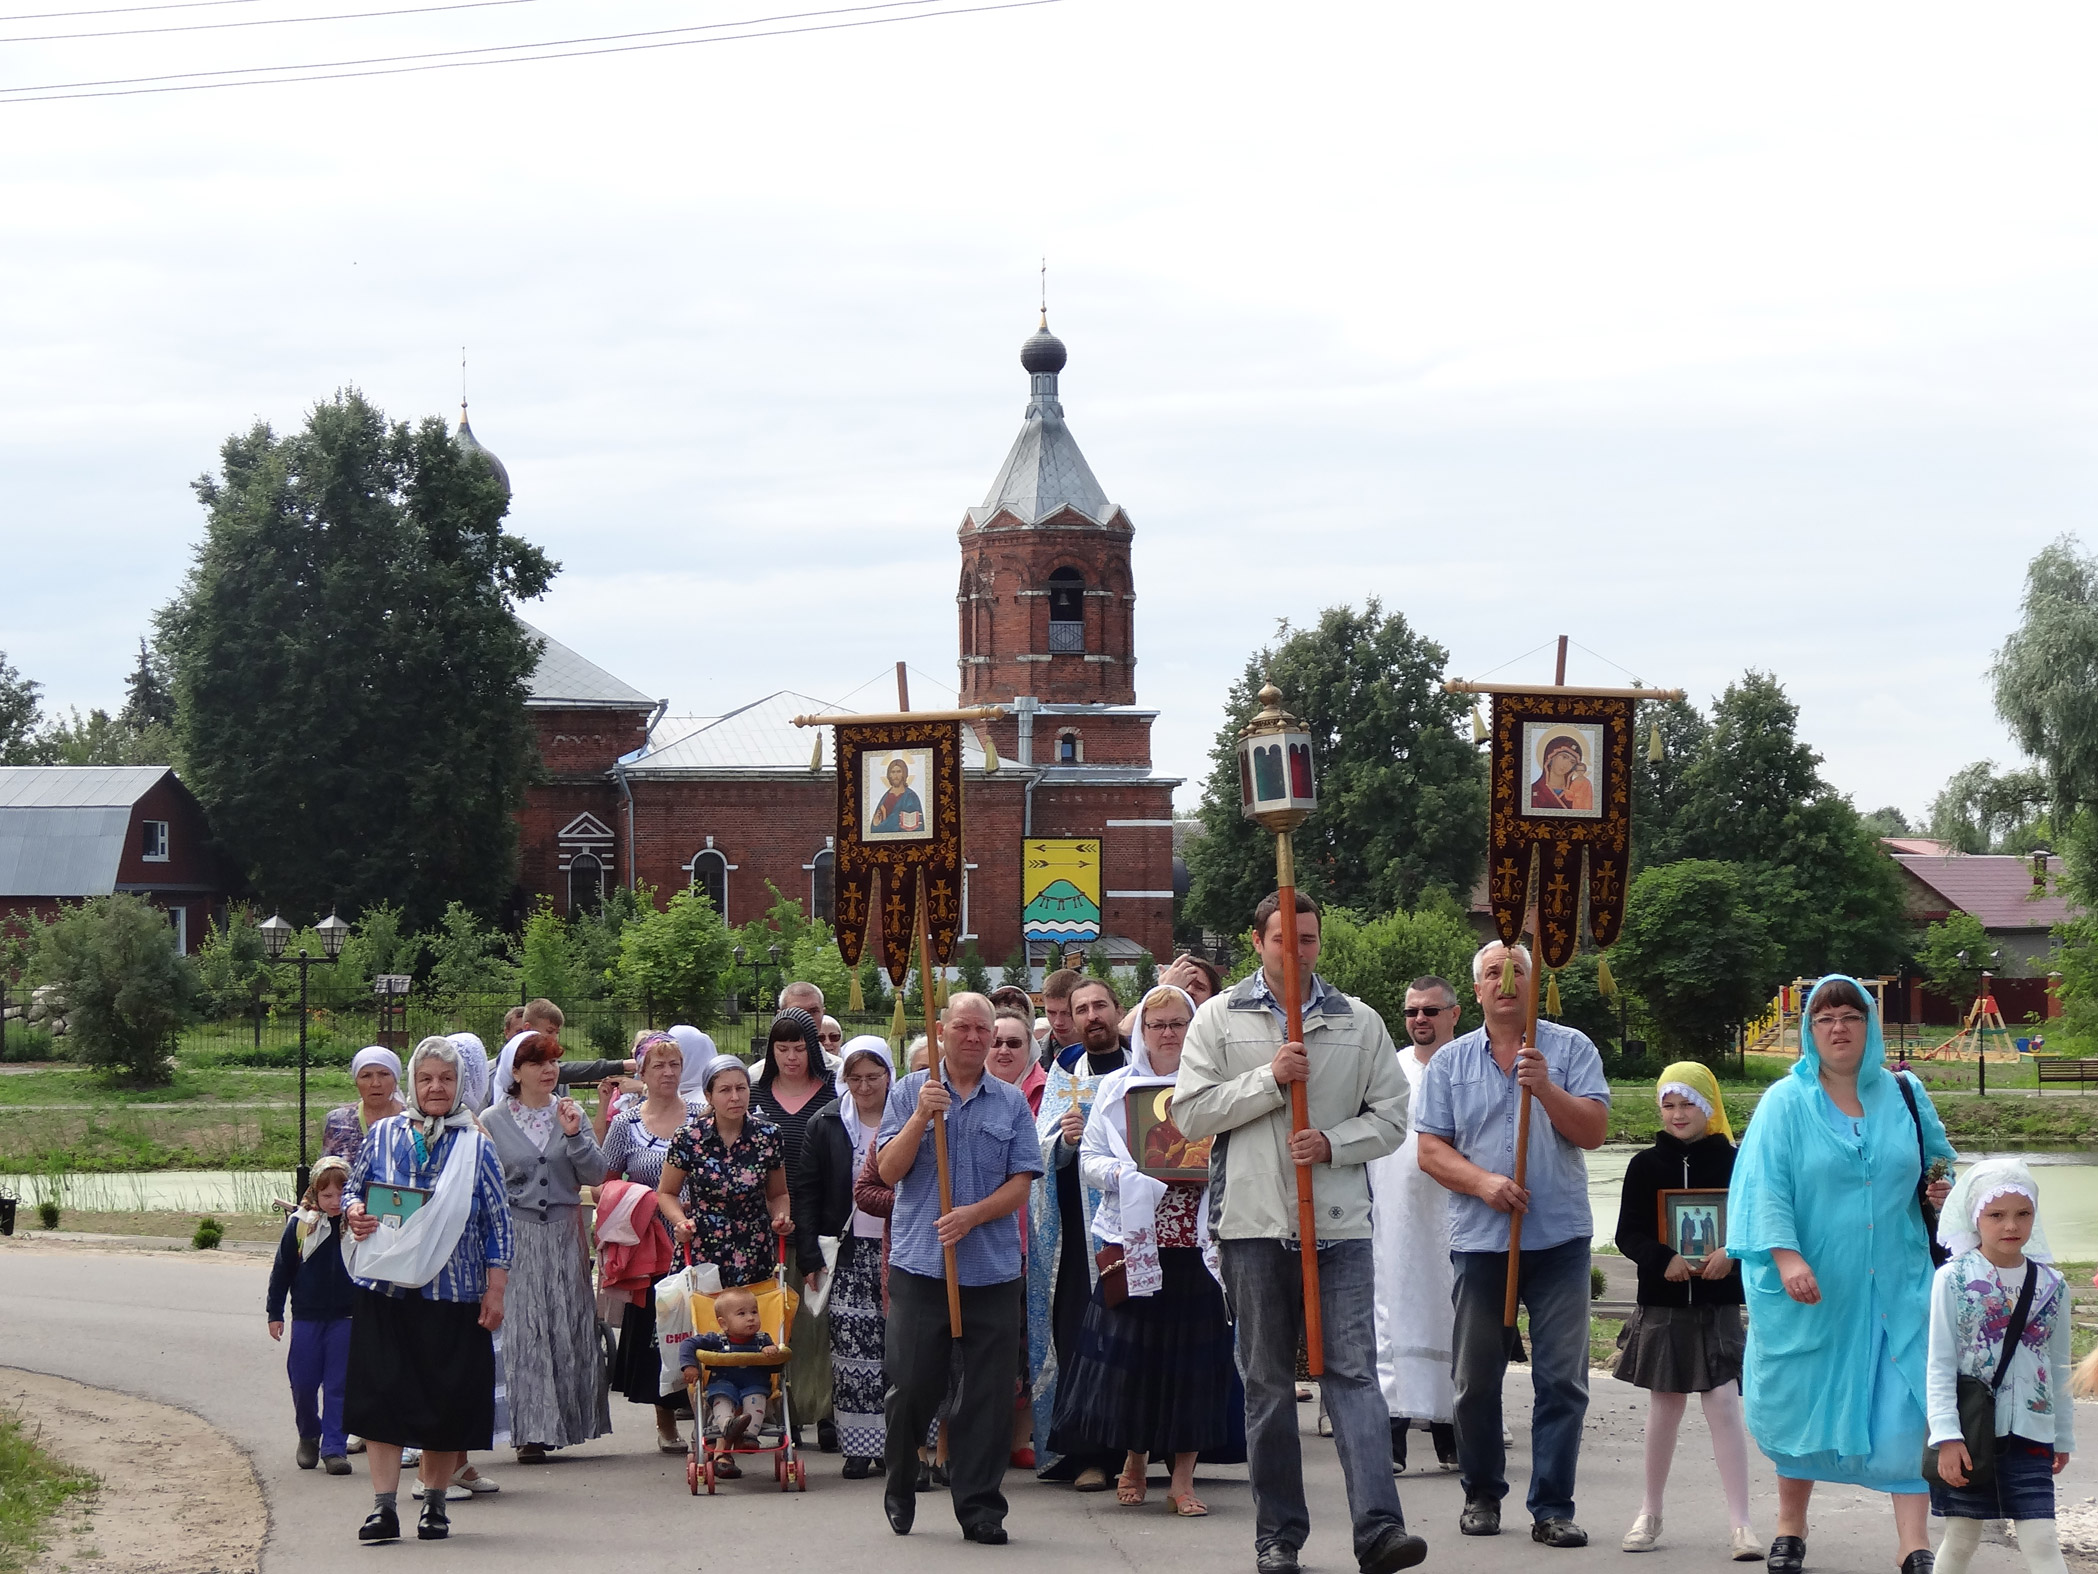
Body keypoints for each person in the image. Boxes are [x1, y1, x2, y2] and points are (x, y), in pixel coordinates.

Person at [1173, 890, 1420, 1574]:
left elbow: (1393, 1118)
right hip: (1252, 1224)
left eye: (1308, 938)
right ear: (1258, 941)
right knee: (1268, 1384)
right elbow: (1190, 1116)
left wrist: (1334, 1145)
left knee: (1353, 1375)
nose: (1297, 950)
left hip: (1339, 1224)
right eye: (1284, 938)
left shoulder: (1358, 1022)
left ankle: (1379, 1529)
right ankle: (1278, 1535)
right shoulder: (1219, 1020)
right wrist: (1268, 1078)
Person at [1727, 974, 1956, 1574]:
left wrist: (1940, 1189)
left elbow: (1940, 1168)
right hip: (1816, 1289)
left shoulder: (1906, 1092)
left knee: (1910, 1407)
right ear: (1809, 1029)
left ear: (1869, 1026)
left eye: (1851, 1016)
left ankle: (1913, 1543)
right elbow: (1762, 1187)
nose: (1838, 1028)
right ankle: (1790, 1526)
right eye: (1825, 1018)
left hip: (1900, 1282)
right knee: (1805, 1405)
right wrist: (1786, 1255)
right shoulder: (1785, 1101)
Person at [1414, 940, 1611, 1547]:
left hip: (1558, 1242)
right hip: (1481, 1241)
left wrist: (1546, 1089)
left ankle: (1552, 1506)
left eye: (1518, 971)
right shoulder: (1450, 1063)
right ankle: (1481, 1494)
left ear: (1534, 984)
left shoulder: (1571, 1048)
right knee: (1475, 1379)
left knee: (1562, 1379)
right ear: (1475, 991)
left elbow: (1595, 1131)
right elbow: (1430, 1151)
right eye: (1493, 973)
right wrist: (1484, 1183)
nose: (1505, 981)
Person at [1051, 984, 1244, 1515]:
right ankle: (1134, 1458)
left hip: (1198, 1246)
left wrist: (1206, 1169)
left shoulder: (1215, 1086)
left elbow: (1237, 1154)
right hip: (1136, 1244)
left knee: (1194, 1367)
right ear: (1140, 1031)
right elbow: (1090, 1160)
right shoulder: (1118, 1090)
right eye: (1156, 1024)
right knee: (1133, 1362)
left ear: (1194, 1027)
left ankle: (1183, 1478)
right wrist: (1132, 1174)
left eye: (1178, 1023)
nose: (1167, 1033)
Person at [875, 992, 1045, 1543]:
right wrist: (924, 1116)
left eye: (984, 1031)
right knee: (912, 1387)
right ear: (943, 1030)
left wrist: (974, 1215)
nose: (974, 1038)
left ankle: (980, 1508)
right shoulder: (909, 1092)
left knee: (988, 1398)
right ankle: (900, 1482)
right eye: (964, 1028)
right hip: (922, 1267)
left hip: (993, 1270)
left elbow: (1022, 1182)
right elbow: (886, 1170)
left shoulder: (1011, 1103)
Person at [342, 1036, 512, 1544]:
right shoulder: (384, 1134)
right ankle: (382, 1508)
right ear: (413, 1082)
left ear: (460, 1084)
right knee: (381, 1399)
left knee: (444, 1401)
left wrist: (495, 1290)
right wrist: (353, 1212)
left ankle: (435, 1505)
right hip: (386, 1289)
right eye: (426, 1078)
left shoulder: (477, 1144)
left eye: (446, 1079)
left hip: (453, 1294)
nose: (436, 1087)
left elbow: (498, 1225)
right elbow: (354, 1188)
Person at [1612, 1063, 1758, 1559]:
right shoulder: (1643, 1166)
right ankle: (1648, 1512)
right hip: (1663, 1304)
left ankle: (1741, 1524)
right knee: (1665, 1407)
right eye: (1669, 1105)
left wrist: (1731, 1253)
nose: (1678, 1114)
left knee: (1723, 1405)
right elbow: (1628, 1233)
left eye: (1688, 1103)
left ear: (1710, 1107)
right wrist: (1664, 1258)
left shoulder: (1738, 1163)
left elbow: (1755, 1222)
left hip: (1718, 1304)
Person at [1926, 1159, 2074, 1574]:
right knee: (1961, 1537)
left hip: (2032, 1432)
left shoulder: (2052, 1285)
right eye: (1997, 1215)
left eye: (2023, 1214)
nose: (2011, 1225)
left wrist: (2062, 1435)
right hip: (1970, 1434)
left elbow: (2058, 1364)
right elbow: (1940, 1362)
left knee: (2042, 1538)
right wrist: (1946, 1436)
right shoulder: (1952, 1279)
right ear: (1976, 1217)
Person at [480, 1030, 611, 1463]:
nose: (549, 1070)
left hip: (564, 1230)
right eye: (537, 1063)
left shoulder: (569, 1112)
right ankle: (529, 1431)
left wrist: (574, 1136)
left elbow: (597, 1174)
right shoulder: (493, 1120)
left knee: (564, 1324)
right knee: (524, 1331)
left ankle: (566, 1423)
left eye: (553, 1061)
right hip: (516, 1233)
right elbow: (485, 1183)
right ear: (515, 1072)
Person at [1031, 974, 1129, 1487]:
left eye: (1100, 1006)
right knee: (1079, 1339)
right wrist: (1063, 1142)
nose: (1092, 1016)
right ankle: (1087, 1452)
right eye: (1081, 1008)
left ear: (1117, 1009)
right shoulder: (1066, 1070)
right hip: (1075, 1235)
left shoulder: (1144, 1069)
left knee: (1130, 1341)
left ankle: (1131, 1451)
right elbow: (1039, 1148)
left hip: (1135, 1229)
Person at [1368, 976, 1462, 1476]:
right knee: (1393, 1315)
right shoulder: (1389, 1070)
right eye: (1411, 1012)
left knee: (1454, 1315)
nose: (1420, 1020)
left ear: (1455, 1013)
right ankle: (1392, 1438)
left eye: (1430, 1011)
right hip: (1394, 1214)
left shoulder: (1469, 1063)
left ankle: (1453, 1433)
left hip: (1455, 1211)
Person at [598, 1031, 703, 1452]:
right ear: (641, 1071)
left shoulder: (700, 1115)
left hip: (696, 1235)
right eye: (658, 1065)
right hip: (649, 1243)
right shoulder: (626, 1124)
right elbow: (605, 1180)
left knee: (698, 1324)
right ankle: (666, 1423)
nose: (667, 1072)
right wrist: (635, 1202)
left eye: (674, 1064)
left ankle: (707, 1418)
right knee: (658, 1331)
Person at [796, 1036, 895, 1478]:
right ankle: (858, 1445)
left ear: (890, 1075)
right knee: (853, 1349)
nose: (865, 1086)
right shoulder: (827, 1122)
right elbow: (808, 1191)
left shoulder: (910, 1117)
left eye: (874, 1077)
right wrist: (808, 1253)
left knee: (900, 1348)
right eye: (855, 1078)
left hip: (901, 1248)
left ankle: (900, 1443)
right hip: (848, 1250)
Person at [756, 1008, 841, 1449]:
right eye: (782, 1048)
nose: (791, 1057)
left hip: (820, 1226)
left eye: (800, 1048)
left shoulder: (833, 1095)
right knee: (772, 1320)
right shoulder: (753, 1096)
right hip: (764, 1230)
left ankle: (826, 1410)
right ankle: (780, 1409)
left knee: (817, 1319)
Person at [658, 1055, 790, 1290]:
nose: (735, 1097)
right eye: (725, 1090)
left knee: (751, 1321)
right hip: (703, 1246)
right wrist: (681, 1222)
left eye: (741, 1088)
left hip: (753, 1248)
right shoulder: (689, 1137)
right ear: (708, 1096)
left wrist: (780, 1218)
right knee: (703, 1321)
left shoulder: (768, 1135)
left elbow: (777, 1194)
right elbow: (667, 1193)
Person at [268, 1154, 357, 1475]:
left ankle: (334, 1448)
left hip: (347, 1318)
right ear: (315, 1195)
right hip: (307, 1316)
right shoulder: (302, 1225)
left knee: (338, 1386)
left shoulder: (358, 1225)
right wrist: (274, 1312)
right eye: (327, 1195)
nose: (335, 1202)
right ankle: (309, 1435)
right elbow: (282, 1271)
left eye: (341, 1195)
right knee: (303, 1382)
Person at [679, 1286, 780, 1472]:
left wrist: (771, 1351)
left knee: (756, 1398)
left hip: (753, 1383)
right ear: (724, 1323)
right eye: (742, 1314)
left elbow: (775, 1352)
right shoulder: (717, 1340)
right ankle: (728, 1425)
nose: (751, 1317)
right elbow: (688, 1343)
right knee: (721, 1399)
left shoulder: (763, 1339)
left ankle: (750, 1435)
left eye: (754, 1312)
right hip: (724, 1384)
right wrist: (689, 1365)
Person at [323, 1047, 405, 1168]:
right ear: (356, 1081)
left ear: (396, 1080)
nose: (376, 1083)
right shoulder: (338, 1121)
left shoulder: (411, 1121)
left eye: (384, 1074)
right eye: (366, 1076)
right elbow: (325, 1172)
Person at [869, 756, 925, 834]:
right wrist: (875, 824)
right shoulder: (885, 797)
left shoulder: (911, 796)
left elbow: (918, 827)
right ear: (889, 775)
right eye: (893, 772)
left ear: (904, 774)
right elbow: (874, 828)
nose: (895, 775)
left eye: (899, 771)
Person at [1038, 968, 1082, 1067]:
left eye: (1066, 1013)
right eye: (1051, 1012)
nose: (1058, 1022)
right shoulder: (1031, 1056)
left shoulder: (1106, 1051)